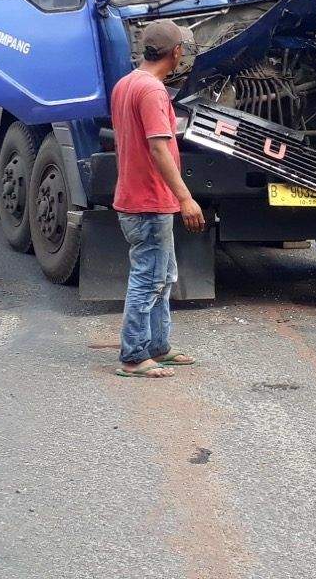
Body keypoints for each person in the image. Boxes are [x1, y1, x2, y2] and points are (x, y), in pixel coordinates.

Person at [111, 20, 205, 379]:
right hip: (148, 201)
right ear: (176, 52)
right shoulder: (152, 91)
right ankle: (134, 356)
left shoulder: (126, 84)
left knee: (162, 277)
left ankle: (157, 346)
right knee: (149, 280)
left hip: (139, 197)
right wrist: (186, 198)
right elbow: (158, 148)